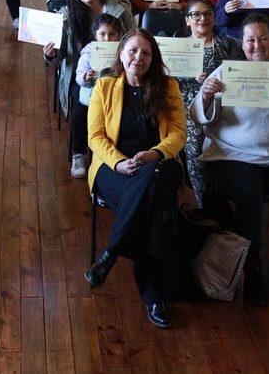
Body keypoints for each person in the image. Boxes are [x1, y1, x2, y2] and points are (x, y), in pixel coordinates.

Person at [193, 14, 269, 307]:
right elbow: (198, 116)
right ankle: (253, 269)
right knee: (249, 199)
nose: (257, 45)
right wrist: (209, 96)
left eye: (264, 38)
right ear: (242, 43)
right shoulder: (227, 72)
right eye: (250, 39)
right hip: (233, 153)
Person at [84, 29, 187, 328]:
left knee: (152, 179)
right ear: (121, 54)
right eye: (132, 51)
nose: (138, 58)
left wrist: (154, 153)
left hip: (159, 162)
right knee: (151, 203)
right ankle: (154, 296)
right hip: (113, 167)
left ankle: (111, 253)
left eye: (145, 53)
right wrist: (118, 164)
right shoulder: (104, 87)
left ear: (153, 59)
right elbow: (95, 137)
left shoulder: (168, 87)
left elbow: (178, 135)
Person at [45, 0, 135, 179]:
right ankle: (78, 152)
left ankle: (117, 148)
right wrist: (50, 54)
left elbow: (133, 37)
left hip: (118, 71)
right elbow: (58, 55)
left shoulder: (121, 10)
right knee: (79, 105)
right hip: (83, 74)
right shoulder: (67, 14)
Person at [173, 0, 237, 206]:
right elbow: (168, 80)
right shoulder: (179, 48)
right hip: (189, 105)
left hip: (224, 104)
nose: (203, 19)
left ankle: (225, 203)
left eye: (208, 14)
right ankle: (203, 204)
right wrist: (191, 77)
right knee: (195, 147)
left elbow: (239, 76)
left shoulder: (228, 43)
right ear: (187, 20)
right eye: (196, 15)